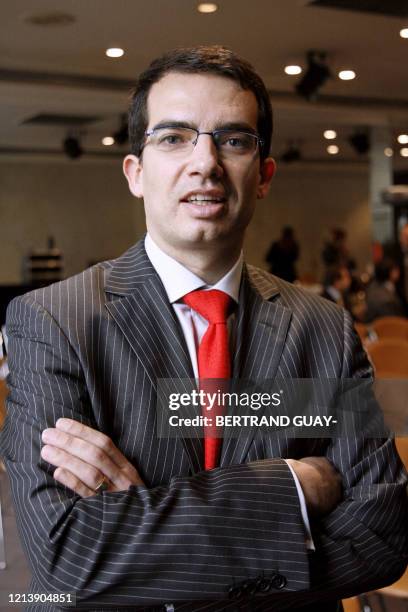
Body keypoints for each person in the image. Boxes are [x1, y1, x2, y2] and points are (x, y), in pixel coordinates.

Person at [1, 46, 407, 611]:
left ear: (263, 175)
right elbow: (65, 554)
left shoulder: (325, 328)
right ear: (136, 173)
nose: (206, 163)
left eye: (234, 140)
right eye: (173, 137)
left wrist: (152, 530)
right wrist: (290, 489)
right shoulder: (54, 320)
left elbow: (383, 535)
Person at [365, 257, 405, 322]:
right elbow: (394, 321)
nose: (398, 271)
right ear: (388, 271)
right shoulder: (387, 300)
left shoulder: (374, 285)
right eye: (395, 269)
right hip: (385, 328)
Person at [383, 222, 408, 315]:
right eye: (405, 236)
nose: (406, 239)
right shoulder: (392, 251)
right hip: (399, 293)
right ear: (401, 236)